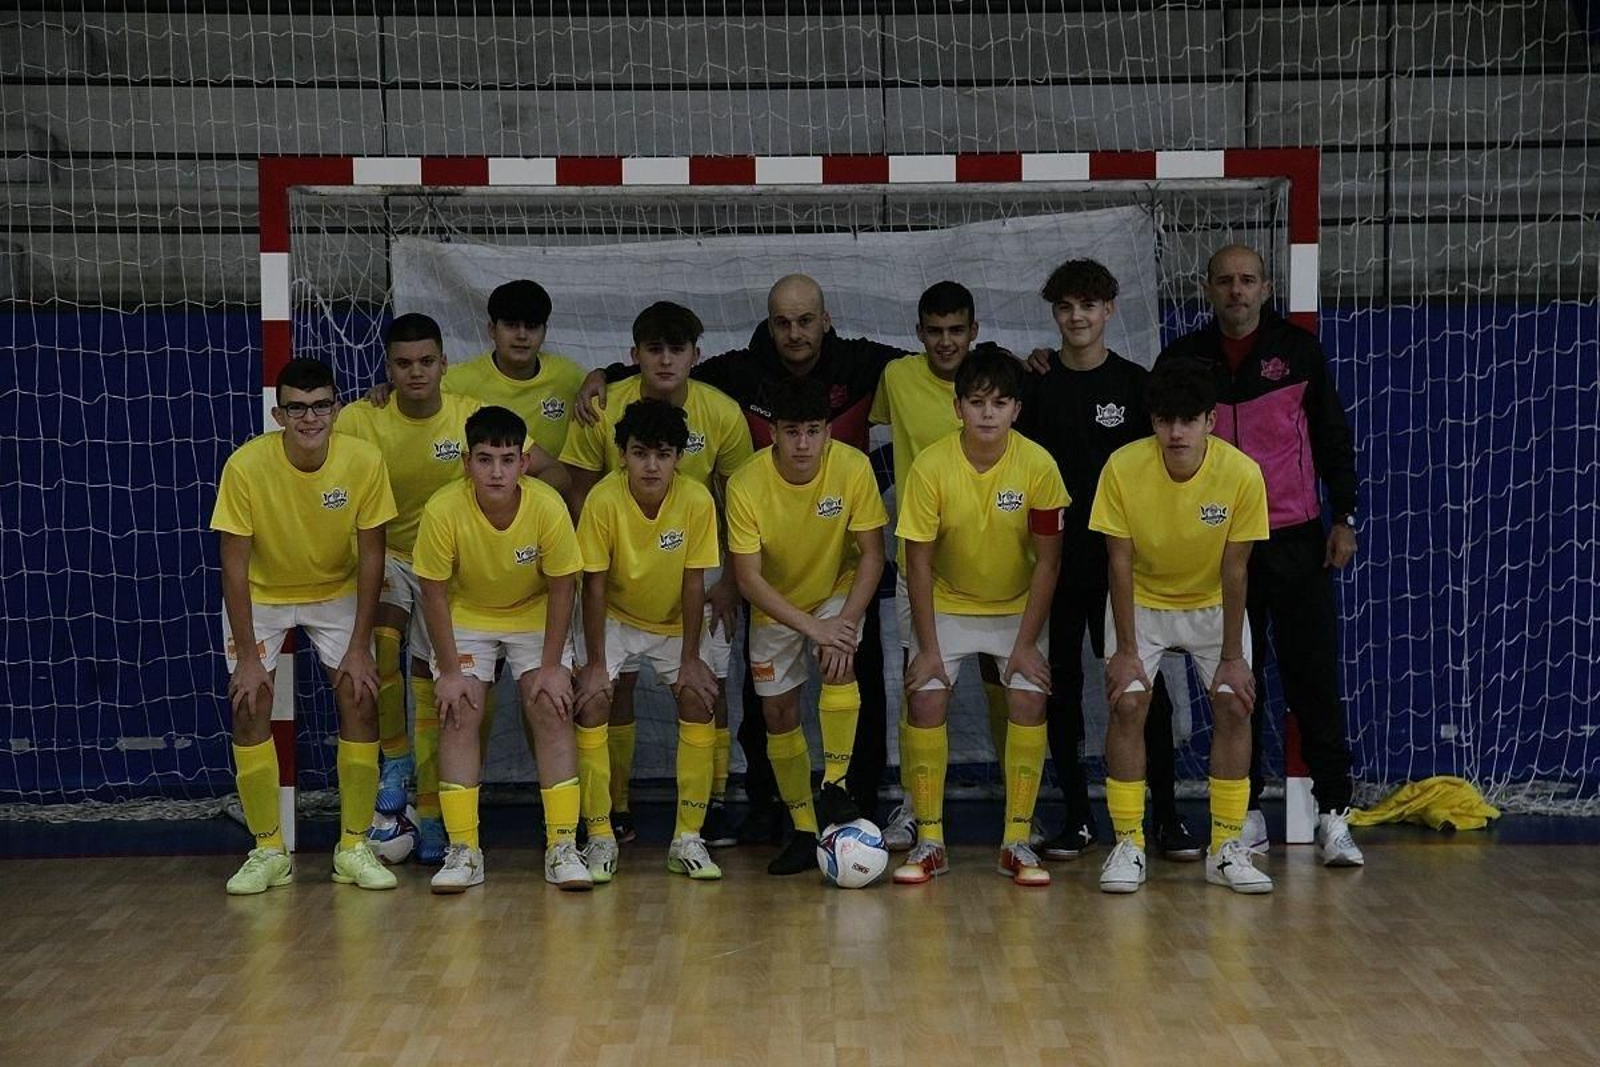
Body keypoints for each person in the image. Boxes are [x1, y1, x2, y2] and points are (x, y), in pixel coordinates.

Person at [576, 275, 901, 839]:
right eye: (782, 321)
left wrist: (835, 621)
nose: (794, 332)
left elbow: (941, 362)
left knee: (835, 674)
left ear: (825, 320)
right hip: (731, 584)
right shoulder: (735, 377)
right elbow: (659, 373)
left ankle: (843, 800)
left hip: (788, 584)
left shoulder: (861, 370)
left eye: (805, 320)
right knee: (734, 703)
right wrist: (602, 375)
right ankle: (758, 815)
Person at [1156, 245, 1364, 868]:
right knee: (1236, 687)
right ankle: (1241, 815)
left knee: (1314, 682)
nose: (1236, 291)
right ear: (1207, 288)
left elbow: (1331, 435)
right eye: (1224, 281)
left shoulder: (1299, 352)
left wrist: (1344, 516)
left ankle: (1333, 815)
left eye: (1247, 280)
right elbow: (1159, 444)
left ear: (1266, 287)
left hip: (1296, 540)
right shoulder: (1182, 358)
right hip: (1220, 548)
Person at [1017, 260, 1202, 863]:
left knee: (1142, 688)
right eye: (1067, 307)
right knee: (1061, 688)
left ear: (1109, 312)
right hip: (1057, 563)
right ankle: (1075, 818)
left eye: (1089, 307)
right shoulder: (1037, 387)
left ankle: (1167, 819)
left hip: (1125, 564)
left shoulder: (1136, 385)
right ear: (1054, 313)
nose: (1078, 317)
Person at [561, 302, 752, 846]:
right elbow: (577, 489)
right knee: (605, 688)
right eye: (654, 349)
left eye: (677, 349)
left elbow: (741, 505)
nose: (666, 360)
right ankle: (610, 813)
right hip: (616, 562)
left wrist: (733, 582)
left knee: (705, 688)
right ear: (634, 355)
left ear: (697, 354)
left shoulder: (720, 412)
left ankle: (707, 808)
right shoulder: (603, 408)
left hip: (699, 563)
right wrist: (601, 555)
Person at [868, 281, 1045, 852]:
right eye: (935, 331)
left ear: (974, 332)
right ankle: (915, 808)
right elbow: (869, 432)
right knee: (920, 680)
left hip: (1000, 560)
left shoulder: (1006, 387)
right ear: (920, 333)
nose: (946, 341)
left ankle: (1019, 812)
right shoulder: (896, 377)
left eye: (956, 330)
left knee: (1008, 681)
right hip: (929, 561)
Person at [210, 357, 398, 894]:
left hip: (336, 591)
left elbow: (371, 559)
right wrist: (248, 656)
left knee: (361, 694)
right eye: (297, 407)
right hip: (262, 596)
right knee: (249, 701)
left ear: (336, 409)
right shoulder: (246, 466)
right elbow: (234, 564)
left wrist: (361, 645)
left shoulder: (363, 461)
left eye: (320, 406)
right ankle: (268, 849)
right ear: (279, 412)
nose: (310, 417)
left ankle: (355, 846)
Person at [1090, 362, 1272, 894]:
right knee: (1127, 701)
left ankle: (1226, 847)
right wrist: (1125, 651)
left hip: (1213, 604)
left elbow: (1236, 568)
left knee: (1235, 702)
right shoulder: (1122, 468)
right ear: (1152, 421)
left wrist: (1234, 657)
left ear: (1210, 422)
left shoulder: (1242, 475)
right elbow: (1117, 562)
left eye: (1189, 420)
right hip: (1142, 600)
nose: (1176, 432)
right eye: (1166, 420)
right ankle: (1128, 843)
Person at [893, 347, 1068, 888]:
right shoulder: (930, 466)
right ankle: (930, 840)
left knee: (1027, 695)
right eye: (976, 402)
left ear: (1016, 409)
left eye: (999, 403)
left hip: (1017, 604)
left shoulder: (1039, 465)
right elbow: (917, 563)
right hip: (944, 599)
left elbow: (1049, 561)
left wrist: (1025, 644)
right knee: (925, 695)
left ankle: (1016, 840)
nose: (987, 414)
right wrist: (926, 649)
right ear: (957, 408)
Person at [412, 406, 589, 894]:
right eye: (485, 459)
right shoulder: (443, 509)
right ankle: (464, 850)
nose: (496, 471)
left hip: (534, 614)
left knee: (552, 706)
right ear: (466, 462)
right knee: (459, 709)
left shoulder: (547, 506)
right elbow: (433, 592)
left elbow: (561, 588)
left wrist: (553, 667)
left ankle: (562, 846)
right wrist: (449, 672)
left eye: (507, 459)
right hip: (467, 614)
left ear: (525, 462)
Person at [726, 378, 888, 875]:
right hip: (775, 603)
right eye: (791, 431)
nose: (802, 443)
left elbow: (873, 556)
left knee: (839, 661)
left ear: (828, 433)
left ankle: (835, 785)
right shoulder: (745, 483)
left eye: (812, 431)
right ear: (772, 431)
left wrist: (843, 622)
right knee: (777, 713)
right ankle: (802, 828)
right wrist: (811, 628)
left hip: (835, 591)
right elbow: (748, 579)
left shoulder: (853, 467)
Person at [335, 312, 481, 864]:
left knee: (440, 683)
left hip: (449, 567)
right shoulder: (358, 419)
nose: (415, 372)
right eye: (403, 363)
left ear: (444, 364)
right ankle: (393, 762)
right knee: (385, 645)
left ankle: (434, 809)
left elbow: (541, 471)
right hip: (389, 556)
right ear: (388, 369)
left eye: (426, 362)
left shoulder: (468, 417)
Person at [571, 399, 725, 882]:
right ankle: (599, 835)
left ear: (679, 457)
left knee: (700, 699)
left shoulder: (697, 499)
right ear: (622, 455)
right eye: (640, 453)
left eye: (663, 454)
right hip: (612, 618)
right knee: (594, 699)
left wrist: (691, 660)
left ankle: (687, 837)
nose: (651, 465)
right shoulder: (602, 499)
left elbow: (694, 583)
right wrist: (596, 663)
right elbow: (593, 585)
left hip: (675, 621)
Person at [443, 278, 587, 465]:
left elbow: (614, 390)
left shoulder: (570, 376)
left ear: (545, 333)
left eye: (531, 326)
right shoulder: (456, 381)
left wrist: (601, 375)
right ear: (492, 330)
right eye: (511, 325)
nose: (521, 335)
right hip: (480, 491)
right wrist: (390, 388)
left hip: (551, 487)